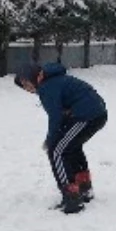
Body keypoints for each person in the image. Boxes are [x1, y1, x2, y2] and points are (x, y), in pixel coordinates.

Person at [14, 63, 108, 215]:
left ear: (34, 77)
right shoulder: (54, 81)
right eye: (23, 86)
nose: (27, 88)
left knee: (56, 151)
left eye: (26, 83)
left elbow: (55, 118)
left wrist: (50, 140)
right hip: (96, 114)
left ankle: (71, 197)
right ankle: (84, 189)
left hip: (87, 116)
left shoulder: (47, 87)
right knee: (71, 148)